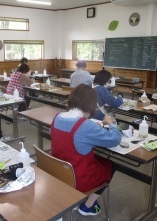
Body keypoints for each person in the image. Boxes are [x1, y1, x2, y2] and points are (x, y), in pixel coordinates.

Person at [50, 84, 122, 216]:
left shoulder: (56, 117)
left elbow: (60, 136)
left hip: (58, 172)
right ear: (91, 105)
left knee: (98, 158)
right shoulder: (85, 125)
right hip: (78, 178)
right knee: (111, 165)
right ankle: (88, 205)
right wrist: (111, 124)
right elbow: (114, 140)